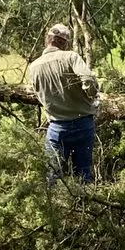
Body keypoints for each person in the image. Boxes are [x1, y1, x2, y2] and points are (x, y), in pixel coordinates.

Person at [27, 23, 100, 184]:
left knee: (53, 173)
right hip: (83, 123)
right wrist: (93, 95)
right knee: (83, 173)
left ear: (48, 40)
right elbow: (88, 79)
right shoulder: (71, 57)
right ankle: (85, 205)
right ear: (64, 43)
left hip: (57, 126)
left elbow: (35, 92)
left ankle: (55, 207)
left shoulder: (34, 66)